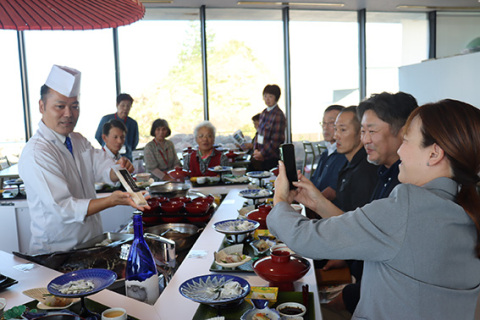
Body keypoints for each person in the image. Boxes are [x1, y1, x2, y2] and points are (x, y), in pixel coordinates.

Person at [267, 99, 480, 320]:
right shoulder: (463, 208)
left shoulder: (409, 206)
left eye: (406, 140)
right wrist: (317, 203)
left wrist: (280, 200)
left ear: (434, 154)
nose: (400, 149)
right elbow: (371, 232)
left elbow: (305, 238)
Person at [18, 65, 148, 255]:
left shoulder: (77, 140)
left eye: (74, 106)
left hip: (90, 245)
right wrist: (110, 200)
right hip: (57, 253)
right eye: (60, 106)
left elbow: (101, 165)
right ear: (41, 106)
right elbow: (63, 207)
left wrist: (118, 169)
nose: (69, 114)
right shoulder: (37, 152)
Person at [332, 106, 378, 212]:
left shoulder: (365, 170)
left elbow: (356, 223)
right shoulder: (348, 163)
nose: (336, 136)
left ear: (360, 133)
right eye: (335, 129)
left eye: (343, 130)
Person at [309, 105, 347, 205]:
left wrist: (310, 203)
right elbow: (314, 181)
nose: (325, 128)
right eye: (324, 123)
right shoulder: (326, 152)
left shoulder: (345, 155)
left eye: (331, 123)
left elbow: (332, 192)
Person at [252, 84, 286, 171]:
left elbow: (276, 140)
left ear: (276, 98)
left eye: (270, 96)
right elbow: (258, 133)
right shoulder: (263, 113)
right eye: (265, 96)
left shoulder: (278, 115)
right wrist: (255, 150)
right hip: (259, 156)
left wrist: (262, 153)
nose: (267, 99)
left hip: (271, 159)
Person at [95, 93, 139, 161]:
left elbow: (134, 142)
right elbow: (98, 136)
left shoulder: (133, 123)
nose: (125, 108)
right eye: (123, 105)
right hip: (107, 157)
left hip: (126, 158)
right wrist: (111, 145)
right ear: (117, 105)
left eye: (128, 106)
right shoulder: (106, 119)